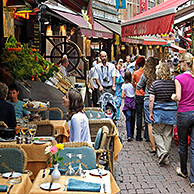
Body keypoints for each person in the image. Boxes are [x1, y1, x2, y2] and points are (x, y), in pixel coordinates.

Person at [171, 52, 194, 187]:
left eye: (181, 62)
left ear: (185, 64)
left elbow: (178, 97)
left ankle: (184, 171)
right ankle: (193, 178)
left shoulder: (179, 78)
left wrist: (173, 96)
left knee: (183, 144)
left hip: (184, 113)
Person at [149, 63, 177, 165]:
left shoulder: (155, 84)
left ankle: (162, 151)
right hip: (171, 112)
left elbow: (151, 100)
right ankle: (166, 157)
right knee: (168, 134)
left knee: (156, 132)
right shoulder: (173, 83)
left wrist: (151, 112)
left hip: (159, 112)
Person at [137, 57, 157, 153]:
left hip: (147, 99)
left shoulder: (145, 74)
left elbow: (138, 86)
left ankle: (153, 146)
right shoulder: (158, 73)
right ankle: (158, 143)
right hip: (158, 100)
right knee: (157, 122)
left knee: (149, 123)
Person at [132, 56, 146, 141]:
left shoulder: (135, 73)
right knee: (147, 116)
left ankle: (138, 136)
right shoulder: (146, 72)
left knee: (139, 115)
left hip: (138, 95)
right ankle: (147, 136)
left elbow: (133, 83)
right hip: (146, 94)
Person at [121, 71, 135, 142]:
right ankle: (132, 134)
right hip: (133, 102)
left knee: (128, 119)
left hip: (127, 103)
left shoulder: (124, 85)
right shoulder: (133, 85)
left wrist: (125, 95)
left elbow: (122, 95)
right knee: (133, 119)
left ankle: (129, 135)